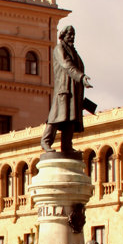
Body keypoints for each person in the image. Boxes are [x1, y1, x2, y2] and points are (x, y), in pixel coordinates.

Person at [40, 25, 93, 155]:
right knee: (57, 116)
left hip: (74, 90)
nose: (72, 37)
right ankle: (45, 141)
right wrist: (81, 77)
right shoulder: (59, 49)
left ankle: (67, 146)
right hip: (64, 89)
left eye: (73, 35)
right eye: (69, 34)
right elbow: (66, 65)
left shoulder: (73, 51)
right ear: (63, 36)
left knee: (70, 118)